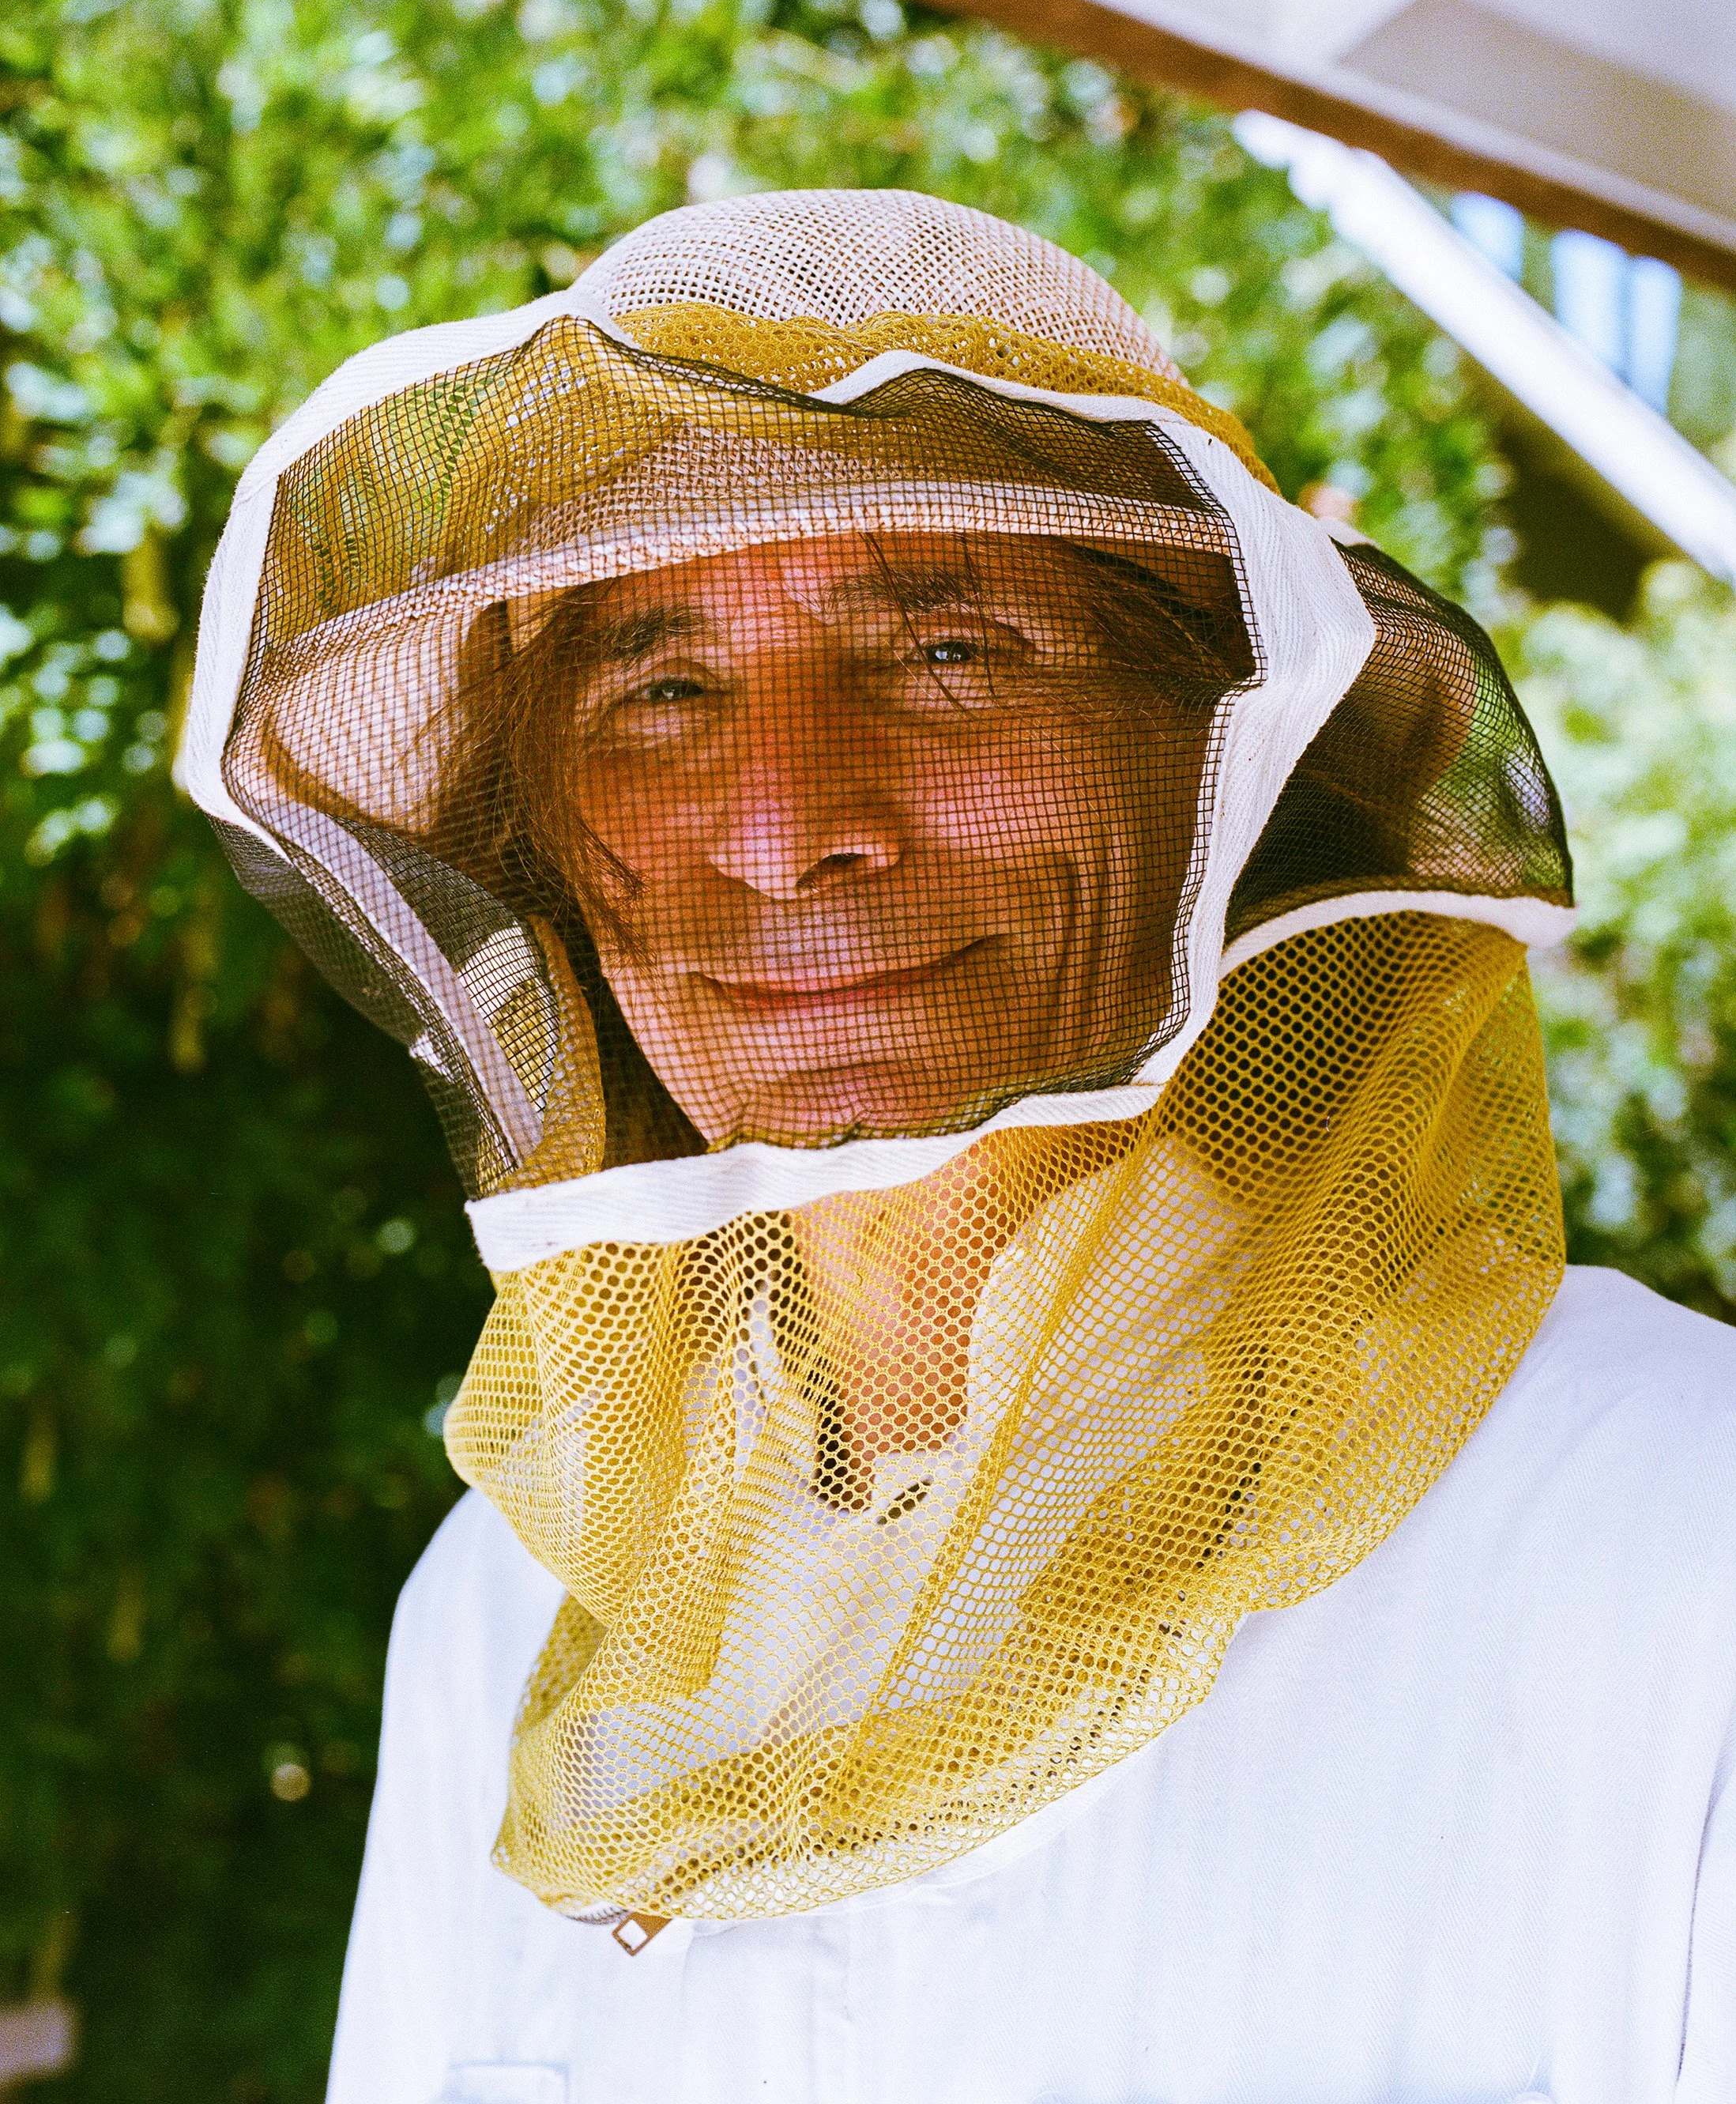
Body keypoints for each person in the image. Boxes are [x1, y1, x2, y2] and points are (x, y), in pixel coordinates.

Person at [183, 190, 1736, 2104]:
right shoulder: (501, 1621)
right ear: (541, 847)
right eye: (661, 692)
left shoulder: (1672, 1534)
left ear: (1210, 766)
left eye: (946, 653)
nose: (784, 826)